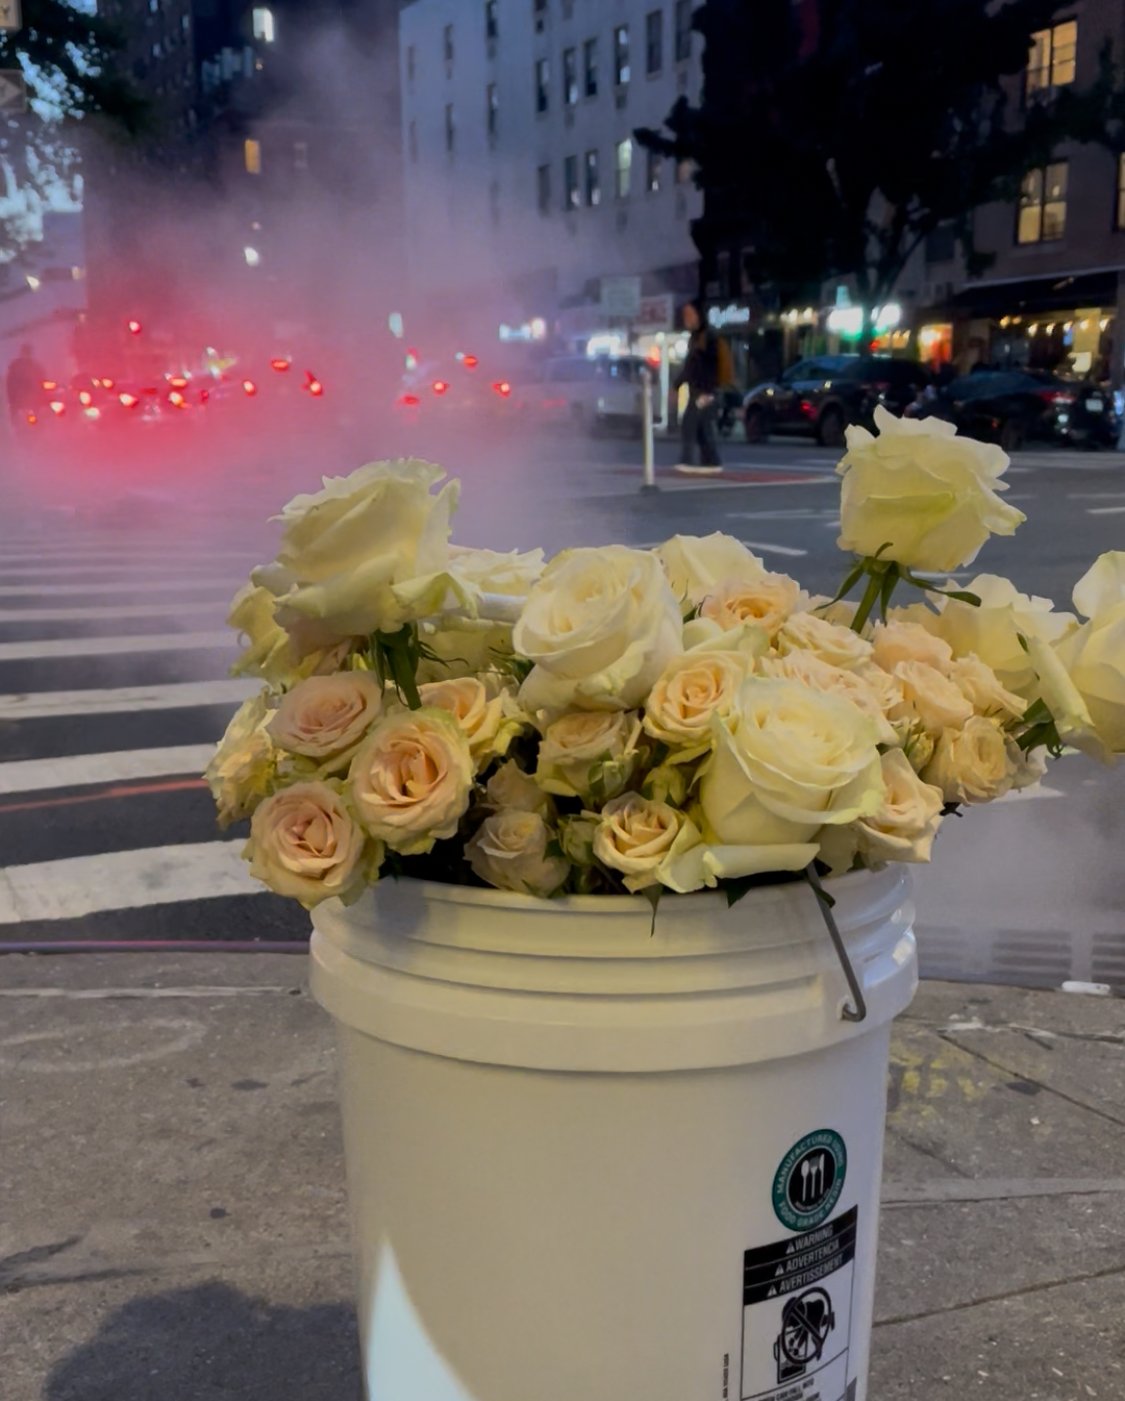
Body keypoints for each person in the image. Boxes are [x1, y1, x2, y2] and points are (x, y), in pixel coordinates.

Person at [675, 301, 723, 475]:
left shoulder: (706, 337)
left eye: (689, 314)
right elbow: (691, 367)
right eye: (684, 315)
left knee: (690, 423)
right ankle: (711, 461)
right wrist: (678, 383)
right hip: (699, 389)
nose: (686, 319)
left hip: (704, 390)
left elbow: (704, 365)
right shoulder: (696, 338)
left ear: (698, 315)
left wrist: (710, 391)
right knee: (702, 427)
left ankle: (688, 460)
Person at [6, 343, 46, 428]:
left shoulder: (17, 365)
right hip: (23, 402)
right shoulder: (34, 366)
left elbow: (9, 384)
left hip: (26, 402)